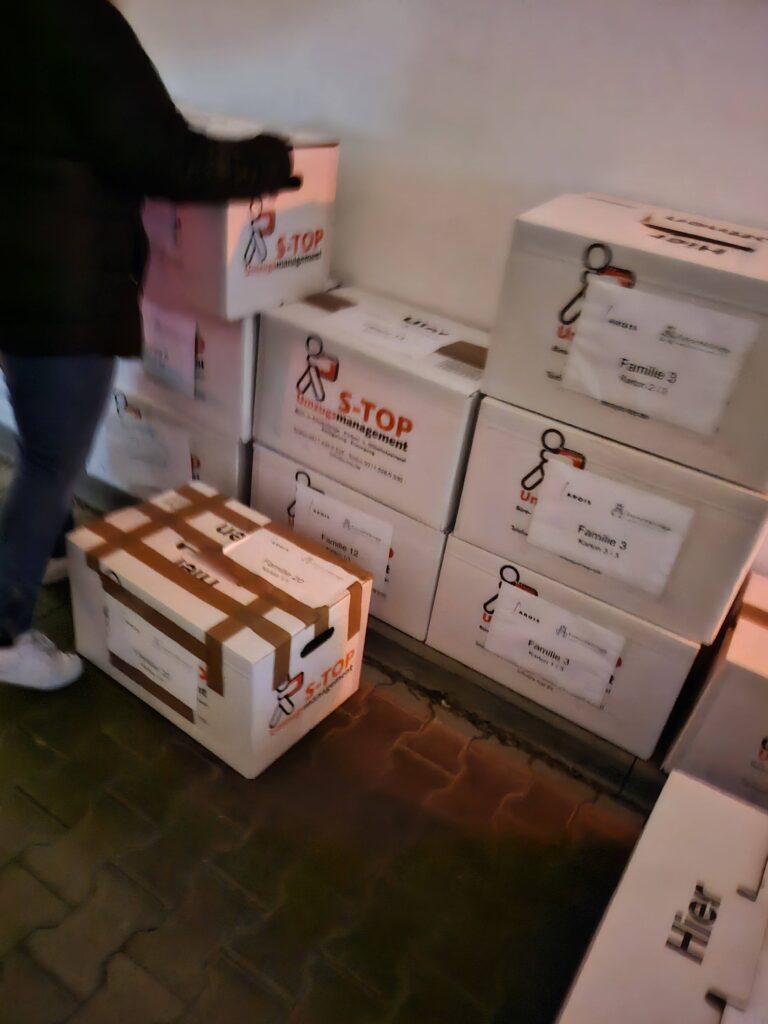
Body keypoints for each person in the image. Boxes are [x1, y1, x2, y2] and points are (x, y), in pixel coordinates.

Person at [0, 0, 300, 690]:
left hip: (17, 275)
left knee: (42, 442)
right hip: (61, 288)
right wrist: (271, 159)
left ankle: (49, 552)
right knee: (51, 460)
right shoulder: (76, 21)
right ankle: (3, 635)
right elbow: (168, 157)